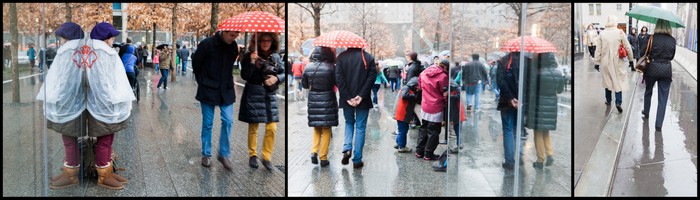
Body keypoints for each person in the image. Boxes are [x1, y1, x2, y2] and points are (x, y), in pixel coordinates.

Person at [40, 22, 134, 190]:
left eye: (62, 38)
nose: (113, 39)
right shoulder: (102, 53)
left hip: (76, 103)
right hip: (99, 103)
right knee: (103, 138)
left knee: (72, 139)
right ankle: (99, 175)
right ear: (106, 38)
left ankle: (98, 173)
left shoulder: (74, 52)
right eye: (111, 36)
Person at [192, 30, 240, 170]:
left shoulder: (233, 46)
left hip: (226, 89)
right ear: (224, 32)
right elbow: (196, 64)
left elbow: (231, 65)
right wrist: (202, 81)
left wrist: (241, 56)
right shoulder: (206, 44)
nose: (234, 38)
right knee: (207, 123)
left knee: (228, 120)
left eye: (236, 35)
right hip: (208, 88)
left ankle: (223, 154)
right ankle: (206, 154)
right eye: (232, 35)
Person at [239, 32, 285, 171]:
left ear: (273, 42)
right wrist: (252, 61)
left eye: (269, 41)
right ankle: (252, 155)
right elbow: (244, 75)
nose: (266, 43)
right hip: (253, 92)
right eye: (263, 40)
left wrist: (277, 79)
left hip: (269, 94)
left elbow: (283, 72)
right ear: (257, 42)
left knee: (272, 127)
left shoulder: (275, 56)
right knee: (254, 126)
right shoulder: (249, 55)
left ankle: (267, 156)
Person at [335, 47, 377, 169]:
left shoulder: (341, 57)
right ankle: (357, 160)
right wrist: (361, 96)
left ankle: (347, 148)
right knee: (360, 127)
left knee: (349, 123)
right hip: (362, 100)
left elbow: (339, 79)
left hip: (346, 98)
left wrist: (347, 97)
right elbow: (371, 78)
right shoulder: (368, 57)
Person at [524, 52, 565, 169]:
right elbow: (560, 90)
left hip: (538, 104)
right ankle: (550, 153)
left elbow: (532, 90)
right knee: (546, 131)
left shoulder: (537, 73)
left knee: (537, 133)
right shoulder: (558, 73)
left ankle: (540, 160)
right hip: (551, 104)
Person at [302, 46, 338, 167]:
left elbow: (305, 85)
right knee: (326, 128)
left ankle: (313, 152)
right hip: (328, 97)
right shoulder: (331, 68)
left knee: (317, 127)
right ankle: (323, 158)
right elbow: (337, 83)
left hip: (313, 98)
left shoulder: (308, 67)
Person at [594, 15, 634, 113]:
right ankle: (618, 102)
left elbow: (598, 50)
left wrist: (596, 62)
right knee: (618, 81)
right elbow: (628, 47)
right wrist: (631, 60)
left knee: (607, 81)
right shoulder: (620, 32)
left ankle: (608, 100)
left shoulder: (602, 34)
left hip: (605, 62)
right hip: (617, 61)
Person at [641, 19, 676, 132]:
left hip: (652, 69)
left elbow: (643, 52)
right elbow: (671, 57)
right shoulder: (672, 40)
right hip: (666, 70)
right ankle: (658, 125)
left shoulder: (651, 38)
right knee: (663, 98)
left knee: (648, 91)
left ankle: (646, 112)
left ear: (657, 26)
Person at [496, 52, 529, 170]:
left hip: (506, 101)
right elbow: (529, 82)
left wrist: (510, 98)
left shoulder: (503, 61)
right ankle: (518, 157)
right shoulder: (527, 61)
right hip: (522, 101)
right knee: (517, 129)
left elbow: (500, 82)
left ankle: (509, 161)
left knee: (508, 129)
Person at [415, 59, 449, 161]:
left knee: (424, 128)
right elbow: (444, 94)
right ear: (445, 67)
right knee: (433, 131)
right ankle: (428, 154)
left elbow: (420, 86)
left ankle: (419, 151)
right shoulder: (443, 76)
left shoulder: (424, 72)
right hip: (436, 106)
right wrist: (446, 100)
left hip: (425, 104)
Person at [393, 77, 420, 153]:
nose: (419, 87)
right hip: (403, 113)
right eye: (418, 86)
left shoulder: (409, 89)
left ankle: (398, 143)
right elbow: (404, 96)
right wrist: (414, 96)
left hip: (403, 113)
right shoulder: (406, 88)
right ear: (414, 84)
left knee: (401, 130)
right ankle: (402, 147)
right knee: (403, 131)